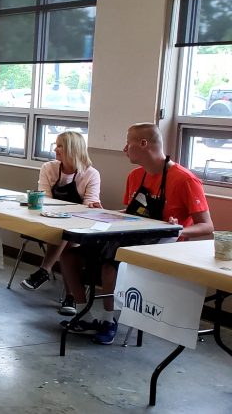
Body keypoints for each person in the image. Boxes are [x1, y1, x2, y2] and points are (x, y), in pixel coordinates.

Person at [59, 123, 213, 345]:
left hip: (161, 246)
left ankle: (108, 320)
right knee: (69, 255)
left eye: (127, 143)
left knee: (110, 266)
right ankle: (85, 314)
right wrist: (106, 213)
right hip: (128, 238)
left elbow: (207, 226)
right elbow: (132, 213)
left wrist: (176, 228)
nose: (124, 149)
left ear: (143, 144)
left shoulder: (184, 180)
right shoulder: (135, 176)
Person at [21, 131, 102, 293]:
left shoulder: (91, 174)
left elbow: (88, 206)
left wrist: (90, 207)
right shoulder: (48, 168)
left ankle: (45, 270)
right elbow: (46, 200)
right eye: (56, 145)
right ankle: (71, 297)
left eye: (60, 146)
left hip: (81, 224)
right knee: (66, 235)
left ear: (73, 149)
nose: (55, 150)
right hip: (51, 220)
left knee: (68, 235)